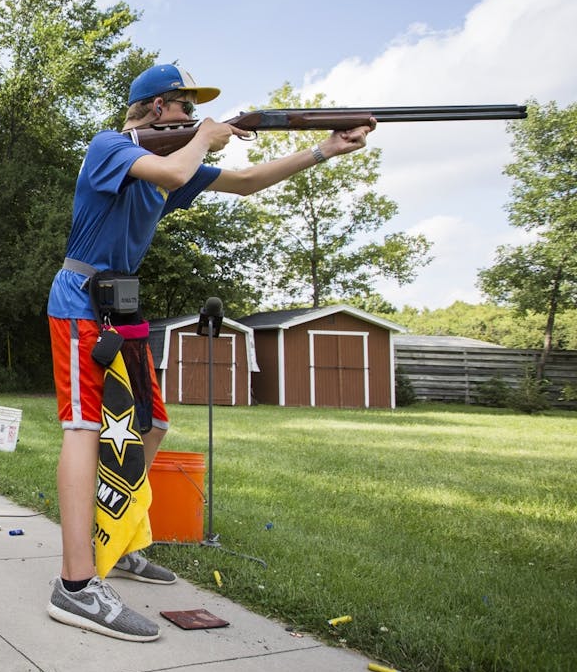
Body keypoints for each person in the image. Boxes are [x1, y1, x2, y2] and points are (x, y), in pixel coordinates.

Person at [45, 63, 372, 642]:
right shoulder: (109, 147)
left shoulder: (169, 163)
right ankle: (75, 587)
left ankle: (111, 539)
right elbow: (174, 166)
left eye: (194, 109)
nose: (192, 116)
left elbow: (245, 182)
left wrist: (324, 152)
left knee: (151, 425)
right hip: (80, 300)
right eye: (182, 106)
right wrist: (205, 137)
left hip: (122, 305)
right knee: (84, 429)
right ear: (152, 107)